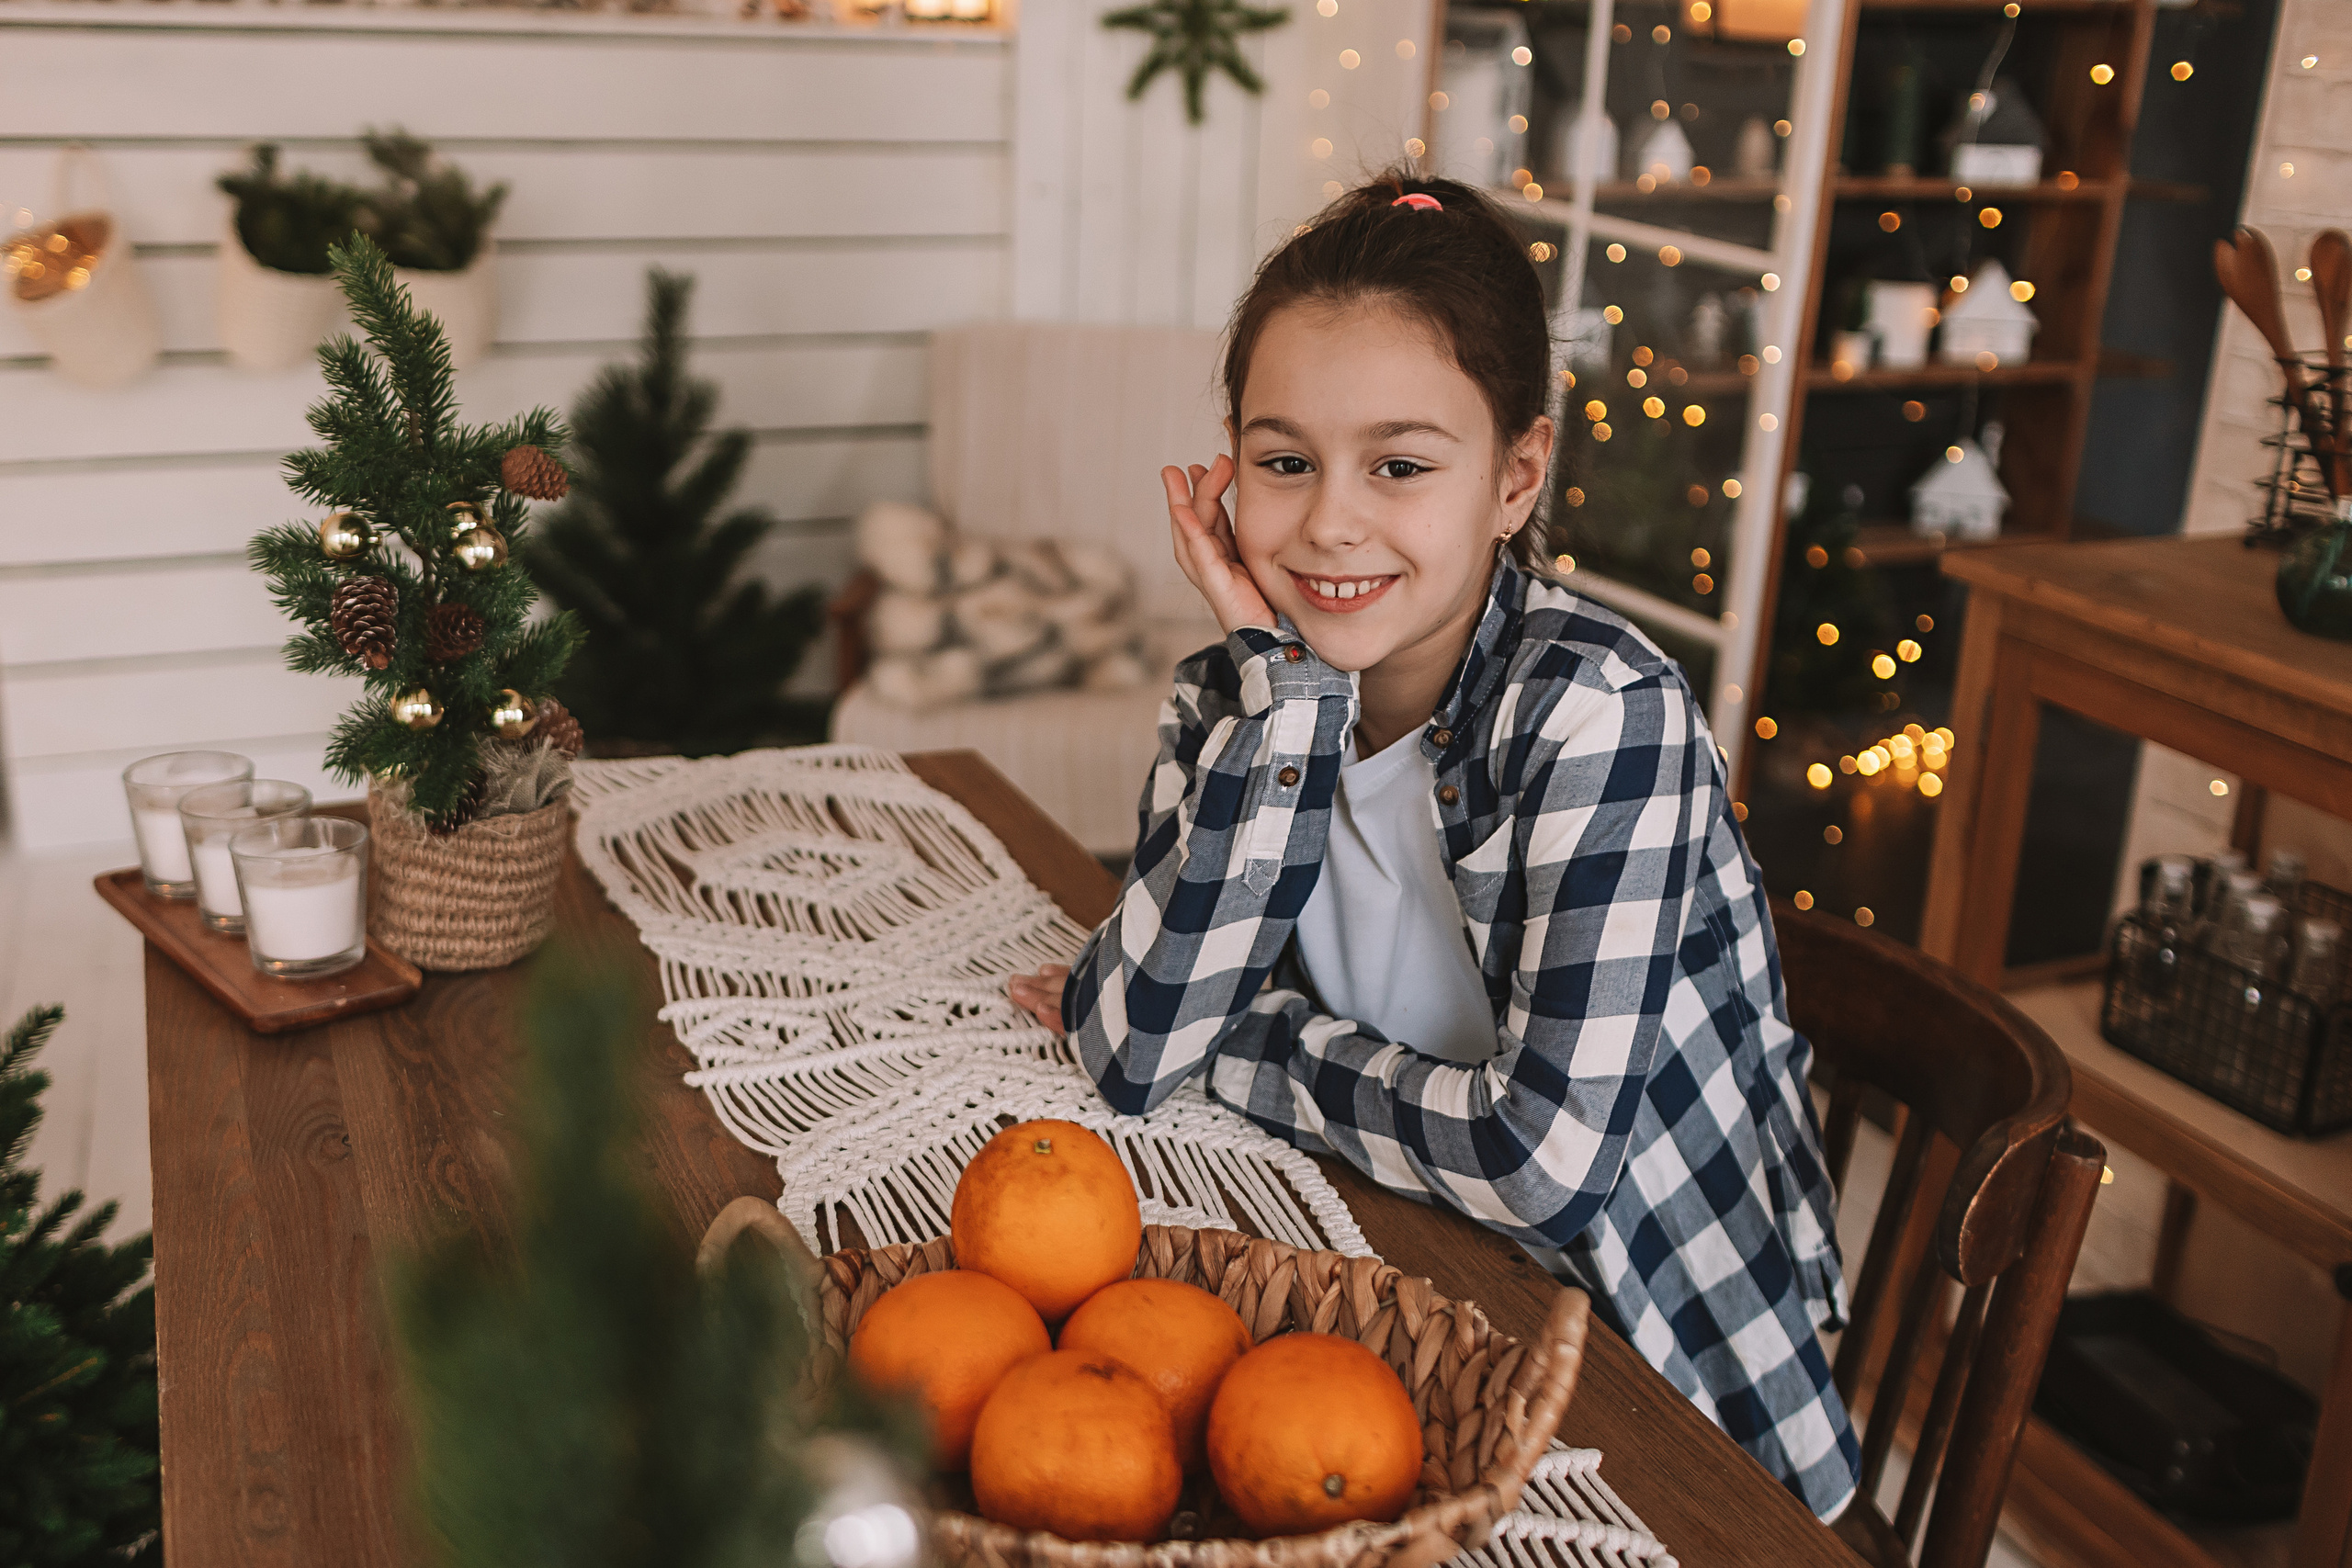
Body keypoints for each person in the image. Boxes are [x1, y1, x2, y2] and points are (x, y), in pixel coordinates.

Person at [1005, 172, 1860, 1521]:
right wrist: (1287, 712)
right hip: (1404, 1289)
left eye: (1400, 466)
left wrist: (1249, 1044)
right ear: (1228, 467)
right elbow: (1128, 1057)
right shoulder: (1229, 699)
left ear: (1517, 476)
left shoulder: (1600, 715)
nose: (1332, 522)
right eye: (1285, 463)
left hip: (1669, 1380)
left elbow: (1542, 1166)